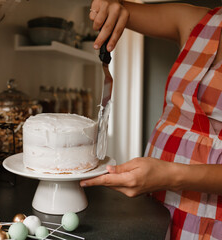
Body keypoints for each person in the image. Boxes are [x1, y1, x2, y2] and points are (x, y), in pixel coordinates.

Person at [80, 1, 222, 239]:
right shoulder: (198, 21)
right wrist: (108, 4)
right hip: (158, 201)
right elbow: (120, 8)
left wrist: (169, 175)